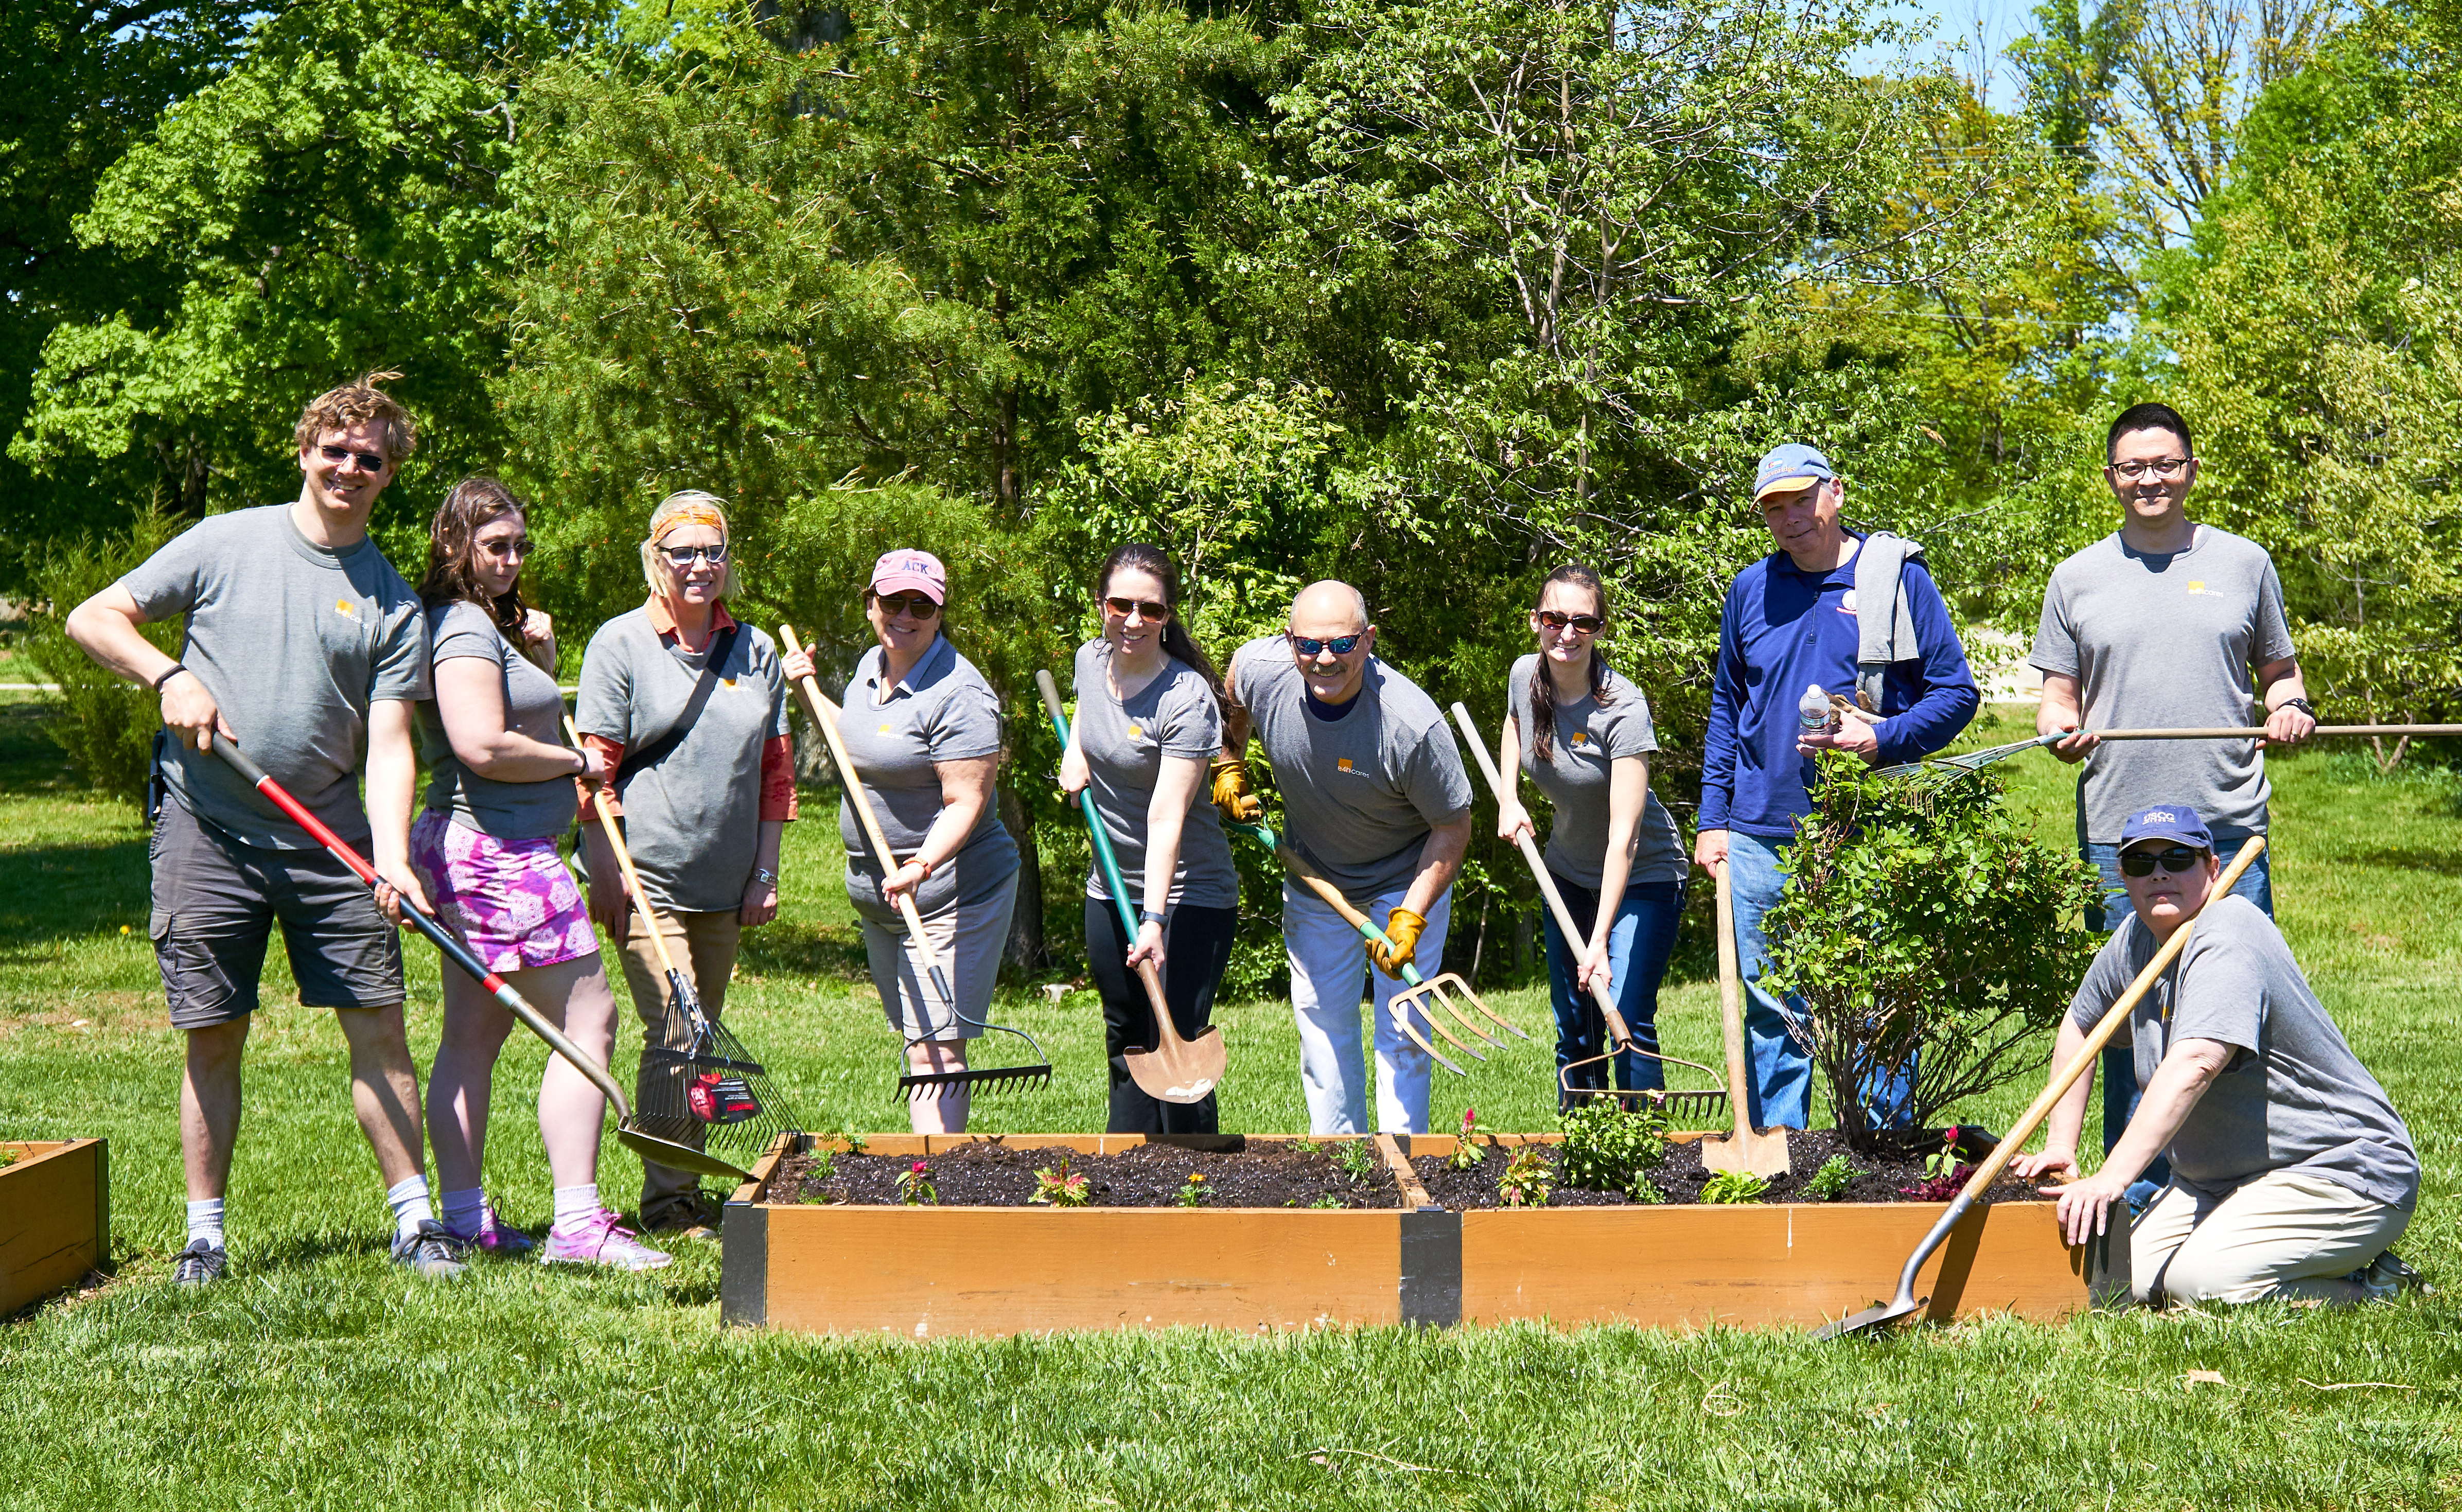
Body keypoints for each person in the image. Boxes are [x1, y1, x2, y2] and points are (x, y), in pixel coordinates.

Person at [62, 373, 465, 1281]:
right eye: (336, 448)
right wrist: (169, 677)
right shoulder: (225, 541)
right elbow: (98, 616)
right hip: (208, 824)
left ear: (389, 474)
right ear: (305, 449)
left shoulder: (391, 602)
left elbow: (392, 744)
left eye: (370, 457)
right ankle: (204, 1233)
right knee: (214, 1029)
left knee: (379, 1023)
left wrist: (393, 856)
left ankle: (414, 1222)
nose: (349, 467)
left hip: (331, 841)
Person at [2032, 401, 2316, 1207]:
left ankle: (2241, 1185)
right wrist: (2061, 728)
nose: (2149, 478)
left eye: (2165, 463)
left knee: (2232, 1013)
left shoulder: (2244, 563)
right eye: (2132, 467)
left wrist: (2290, 708)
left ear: (2190, 469)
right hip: (2119, 832)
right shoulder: (2076, 576)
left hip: (2226, 825)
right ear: (2112, 478)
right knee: (2131, 1021)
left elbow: (2281, 674)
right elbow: (2056, 697)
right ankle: (2135, 1194)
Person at [409, 478, 669, 1270]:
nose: (512, 559)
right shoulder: (459, 627)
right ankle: (578, 1222)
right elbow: (482, 744)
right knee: (590, 1019)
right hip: (497, 855)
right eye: (495, 545)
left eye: (520, 545)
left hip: (482, 848)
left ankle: (461, 1217)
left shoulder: (482, 623)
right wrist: (577, 759)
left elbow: (511, 716)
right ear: (455, 545)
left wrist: (542, 661)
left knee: (474, 1032)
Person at [2010, 805, 2418, 1306]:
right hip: (2216, 1183)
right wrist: (2061, 1144)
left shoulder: (2226, 930)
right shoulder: (2136, 939)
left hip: (2337, 1169)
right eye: (2141, 863)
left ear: (2212, 868)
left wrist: (2111, 1178)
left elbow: (2195, 1062)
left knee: (2202, 1286)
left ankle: (2373, 1287)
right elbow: (2081, 1024)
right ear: (2123, 877)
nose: (2158, 871)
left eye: (2177, 857)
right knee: (2119, 1283)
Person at [1694, 443, 1980, 1131]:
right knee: (1773, 1004)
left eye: (1801, 499)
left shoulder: (1897, 582)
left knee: (1877, 1001)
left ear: (1837, 492)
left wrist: (1878, 739)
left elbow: (1957, 695)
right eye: (1774, 507)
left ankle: (1883, 1146)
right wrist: (1713, 817)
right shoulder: (1750, 590)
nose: (1790, 518)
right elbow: (1729, 707)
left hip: (1869, 828)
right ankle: (1779, 1152)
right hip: (1762, 830)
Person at [575, 491, 799, 1237]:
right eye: (683, 552)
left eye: (713, 551)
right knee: (678, 1029)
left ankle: (690, 1187)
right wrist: (605, 868)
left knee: (703, 1031)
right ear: (656, 558)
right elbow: (594, 774)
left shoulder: (756, 649)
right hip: (647, 876)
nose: (700, 565)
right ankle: (671, 1203)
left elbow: (776, 771)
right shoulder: (621, 643)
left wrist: (765, 873)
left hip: (725, 883)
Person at [1222, 581, 1475, 1135]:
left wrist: (1409, 915)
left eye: (1341, 644)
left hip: (1403, 881)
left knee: (1403, 1028)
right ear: (1289, 642)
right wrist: (1228, 761)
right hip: (1315, 877)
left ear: (1367, 641)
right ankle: (1341, 1163)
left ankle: (1403, 1160)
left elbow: (1453, 827)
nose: (1323, 659)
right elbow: (1234, 679)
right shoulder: (1267, 671)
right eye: (1309, 645)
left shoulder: (1410, 725)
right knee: (1321, 1026)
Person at [831, 548, 1021, 1137]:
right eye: (892, 601)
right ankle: (931, 1175)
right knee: (917, 1037)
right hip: (885, 894)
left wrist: (921, 864)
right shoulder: (869, 667)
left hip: (951, 891)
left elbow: (966, 802)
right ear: (870, 605)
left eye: (921, 605)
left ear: (940, 614)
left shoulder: (959, 693)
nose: (904, 615)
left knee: (935, 1050)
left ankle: (935, 1187)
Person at [1057, 544, 1240, 1134]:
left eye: (1150, 610)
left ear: (1167, 616)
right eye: (1120, 605)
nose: (1133, 620)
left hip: (1189, 894)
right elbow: (1090, 708)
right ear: (1100, 605)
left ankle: (1192, 1180)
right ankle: (1132, 1174)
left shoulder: (1184, 698)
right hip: (1109, 883)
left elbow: (1166, 815)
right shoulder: (1092, 658)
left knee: (1179, 1034)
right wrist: (1072, 749)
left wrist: (1156, 919)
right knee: (1126, 1035)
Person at [1491, 565, 1688, 1107]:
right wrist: (1509, 796)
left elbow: (1622, 838)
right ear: (1535, 621)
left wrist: (1598, 940)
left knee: (1621, 1008)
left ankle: (1644, 1147)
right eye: (1554, 618)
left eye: (1582, 621)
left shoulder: (1620, 707)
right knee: (1573, 1025)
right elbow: (1513, 722)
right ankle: (1582, 1148)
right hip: (1567, 871)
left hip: (1643, 873)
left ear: (1600, 629)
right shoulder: (1522, 675)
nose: (1566, 632)